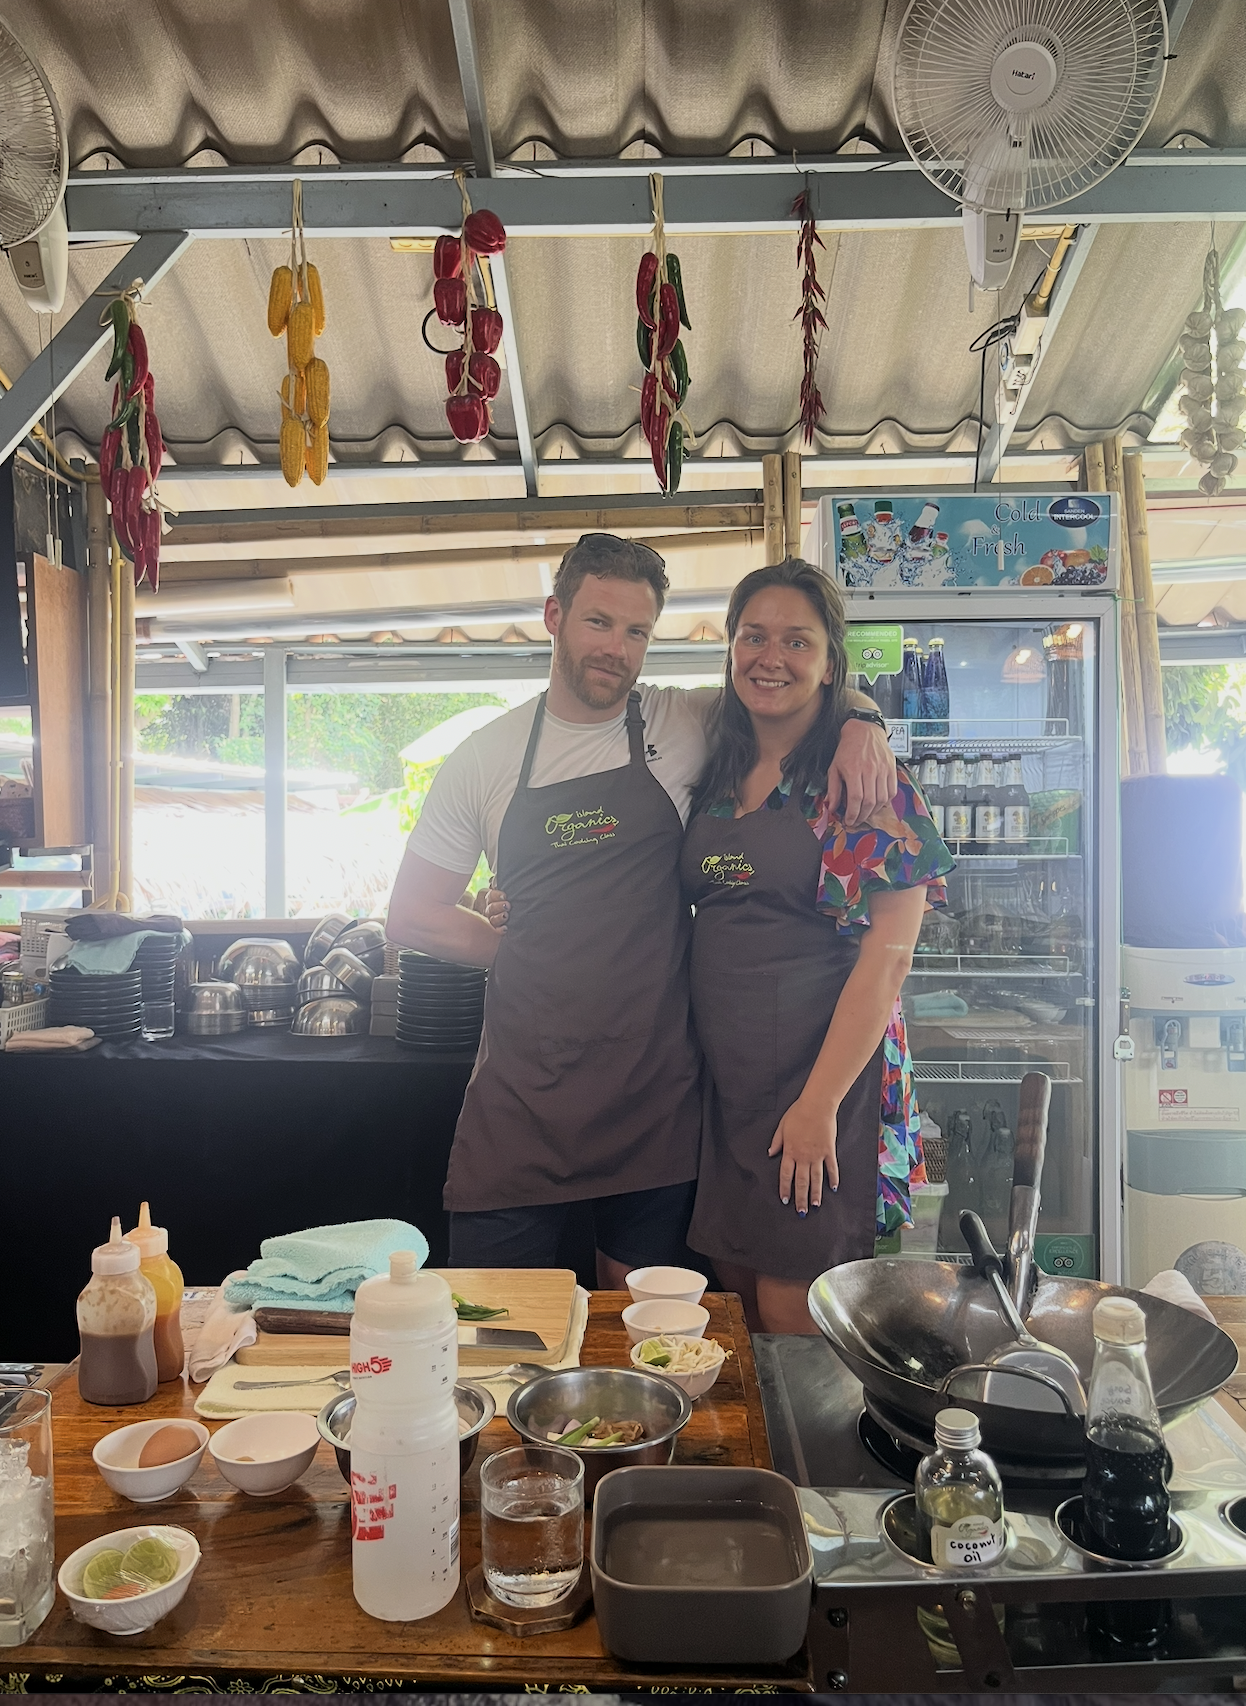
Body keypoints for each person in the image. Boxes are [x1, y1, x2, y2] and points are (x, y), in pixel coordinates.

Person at [385, 532, 897, 1286]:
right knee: (500, 1334)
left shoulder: (680, 723)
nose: (615, 649)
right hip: (522, 1104)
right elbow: (414, 915)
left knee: (648, 1338)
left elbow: (790, 683)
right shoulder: (485, 758)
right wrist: (521, 948)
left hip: (653, 1107)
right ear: (554, 616)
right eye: (599, 623)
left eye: (636, 632)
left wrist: (865, 721)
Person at [681, 557, 954, 1333]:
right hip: (723, 1084)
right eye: (753, 637)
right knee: (729, 1305)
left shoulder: (866, 782)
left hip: (818, 1076)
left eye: (797, 642)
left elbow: (890, 956)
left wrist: (819, 1103)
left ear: (831, 659)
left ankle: (801, 1463)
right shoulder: (717, 758)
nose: (771, 658)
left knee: (791, 1312)